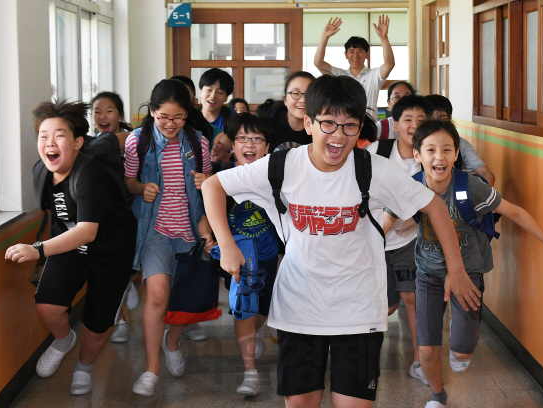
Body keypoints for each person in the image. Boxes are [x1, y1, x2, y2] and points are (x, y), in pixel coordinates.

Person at [201, 75, 479, 408]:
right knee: (301, 403)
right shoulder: (281, 166)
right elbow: (212, 186)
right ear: (308, 122)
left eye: (350, 126)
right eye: (328, 124)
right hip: (298, 307)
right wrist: (227, 245)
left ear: (360, 128)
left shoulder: (373, 169)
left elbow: (433, 205)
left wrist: (456, 268)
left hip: (359, 310)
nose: (338, 136)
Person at [405, 119, 543, 408]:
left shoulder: (471, 187)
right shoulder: (410, 188)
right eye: (430, 150)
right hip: (428, 274)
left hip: (467, 273)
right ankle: (437, 398)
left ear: (456, 155)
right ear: (417, 155)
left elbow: (514, 213)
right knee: (426, 350)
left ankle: (461, 343)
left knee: (462, 355)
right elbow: (384, 224)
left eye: (446, 150)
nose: (438, 157)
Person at [5, 100, 137, 395]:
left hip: (110, 253)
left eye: (59, 135)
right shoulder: (42, 171)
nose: (49, 142)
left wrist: (37, 250)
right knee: (48, 307)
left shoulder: (90, 175)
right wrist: (47, 248)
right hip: (68, 247)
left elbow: (87, 232)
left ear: (77, 142)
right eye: (43, 136)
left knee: (98, 323)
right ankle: (64, 340)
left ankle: (84, 367)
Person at [123, 79, 215, 396]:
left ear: (187, 115)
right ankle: (152, 368)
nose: (170, 124)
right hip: (155, 230)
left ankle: (172, 341)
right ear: (152, 112)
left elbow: (207, 194)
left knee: (185, 300)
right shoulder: (138, 141)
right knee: (158, 295)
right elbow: (129, 180)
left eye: (178, 117)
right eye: (163, 116)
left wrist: (208, 180)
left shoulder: (199, 144)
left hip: (190, 230)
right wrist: (140, 189)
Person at [368, 94, 434, 387]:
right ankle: (366, 358)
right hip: (372, 239)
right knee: (382, 304)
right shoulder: (376, 150)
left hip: (410, 240)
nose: (414, 125)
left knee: (412, 298)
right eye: (407, 119)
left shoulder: (429, 159)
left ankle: (420, 360)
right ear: (395, 124)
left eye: (421, 120)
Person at [218, 113, 280, 396]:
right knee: (244, 309)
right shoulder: (221, 178)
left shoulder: (276, 178)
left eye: (257, 139)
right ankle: (250, 373)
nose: (250, 144)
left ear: (267, 147)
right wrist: (211, 238)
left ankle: (257, 330)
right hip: (239, 260)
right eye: (243, 138)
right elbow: (207, 213)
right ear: (233, 145)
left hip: (271, 258)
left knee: (260, 312)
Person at [89, 91, 139, 344]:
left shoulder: (132, 142)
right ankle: (120, 319)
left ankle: (129, 284)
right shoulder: (90, 146)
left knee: (129, 267)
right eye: (97, 111)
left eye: (108, 110)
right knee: (112, 271)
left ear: (120, 114)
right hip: (106, 218)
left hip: (134, 210)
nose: (102, 116)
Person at [314, 15, 395, 119]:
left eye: (360, 51)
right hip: (345, 126)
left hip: (369, 127)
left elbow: (389, 64)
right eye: (351, 51)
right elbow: (318, 62)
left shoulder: (374, 75)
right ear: (346, 55)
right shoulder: (339, 76)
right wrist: (325, 36)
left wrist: (383, 37)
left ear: (367, 55)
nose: (355, 55)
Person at [425, 93, 496, 186]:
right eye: (431, 121)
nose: (437, 125)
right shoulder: (414, 144)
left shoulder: (461, 144)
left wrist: (480, 194)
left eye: (442, 120)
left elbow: (487, 175)